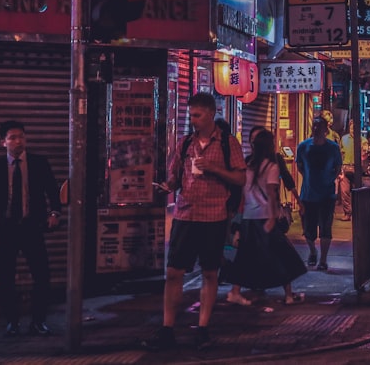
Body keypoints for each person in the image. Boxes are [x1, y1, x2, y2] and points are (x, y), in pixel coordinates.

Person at [143, 92, 246, 351]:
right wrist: (167, 186)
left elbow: (240, 179)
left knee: (210, 273)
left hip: (214, 216)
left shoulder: (227, 144)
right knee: (173, 272)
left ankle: (203, 328)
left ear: (211, 114)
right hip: (185, 214)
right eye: (191, 115)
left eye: (198, 115)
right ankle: (167, 328)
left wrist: (214, 169)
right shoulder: (185, 143)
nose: (193, 120)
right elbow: (176, 176)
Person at [0, 120, 61, 337]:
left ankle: (38, 321)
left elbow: (52, 191)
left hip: (31, 227)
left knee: (42, 275)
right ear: (3, 142)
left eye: (21, 136)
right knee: (6, 277)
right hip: (5, 229)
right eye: (12, 137)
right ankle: (12, 322)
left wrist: (54, 213)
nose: (18, 141)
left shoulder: (39, 163)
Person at [222, 129, 306, 306]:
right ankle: (288, 295)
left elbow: (243, 191)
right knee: (282, 254)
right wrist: (273, 217)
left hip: (249, 216)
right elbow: (272, 194)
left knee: (245, 255)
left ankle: (235, 291)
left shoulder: (248, 164)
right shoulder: (271, 166)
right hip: (264, 217)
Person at [296, 116, 342, 271]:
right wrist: (310, 179)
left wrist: (329, 180)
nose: (316, 128)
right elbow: (300, 166)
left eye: (319, 126)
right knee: (308, 229)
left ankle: (323, 259)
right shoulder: (303, 146)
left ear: (325, 129)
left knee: (325, 228)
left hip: (327, 195)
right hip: (308, 194)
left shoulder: (332, 147)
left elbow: (337, 167)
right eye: (314, 125)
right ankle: (313, 251)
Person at [337, 127, 360, 221]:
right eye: (351, 128)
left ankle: (358, 213)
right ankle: (347, 213)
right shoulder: (344, 139)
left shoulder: (362, 140)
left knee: (357, 193)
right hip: (345, 167)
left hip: (357, 168)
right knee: (344, 192)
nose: (353, 130)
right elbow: (340, 153)